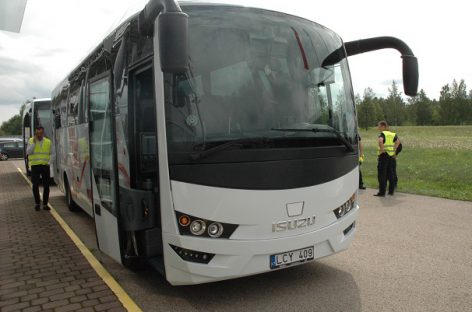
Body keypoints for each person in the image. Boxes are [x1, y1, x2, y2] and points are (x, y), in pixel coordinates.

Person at [26, 126, 52, 211]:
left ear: (43, 133)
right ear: (35, 133)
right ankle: (37, 203)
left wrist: (49, 163)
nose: (39, 135)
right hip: (35, 166)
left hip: (45, 166)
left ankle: (45, 204)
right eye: (37, 133)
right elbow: (28, 152)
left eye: (40, 133)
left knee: (46, 186)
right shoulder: (31, 140)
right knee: (35, 185)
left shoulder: (48, 141)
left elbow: (53, 153)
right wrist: (34, 143)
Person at [374, 121, 400, 197]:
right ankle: (391, 191)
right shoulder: (393, 134)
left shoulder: (382, 134)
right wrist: (394, 148)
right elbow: (398, 142)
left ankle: (382, 192)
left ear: (383, 126)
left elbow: (380, 141)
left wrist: (382, 150)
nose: (378, 128)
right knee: (390, 174)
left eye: (379, 126)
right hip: (391, 156)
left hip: (383, 156)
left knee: (382, 174)